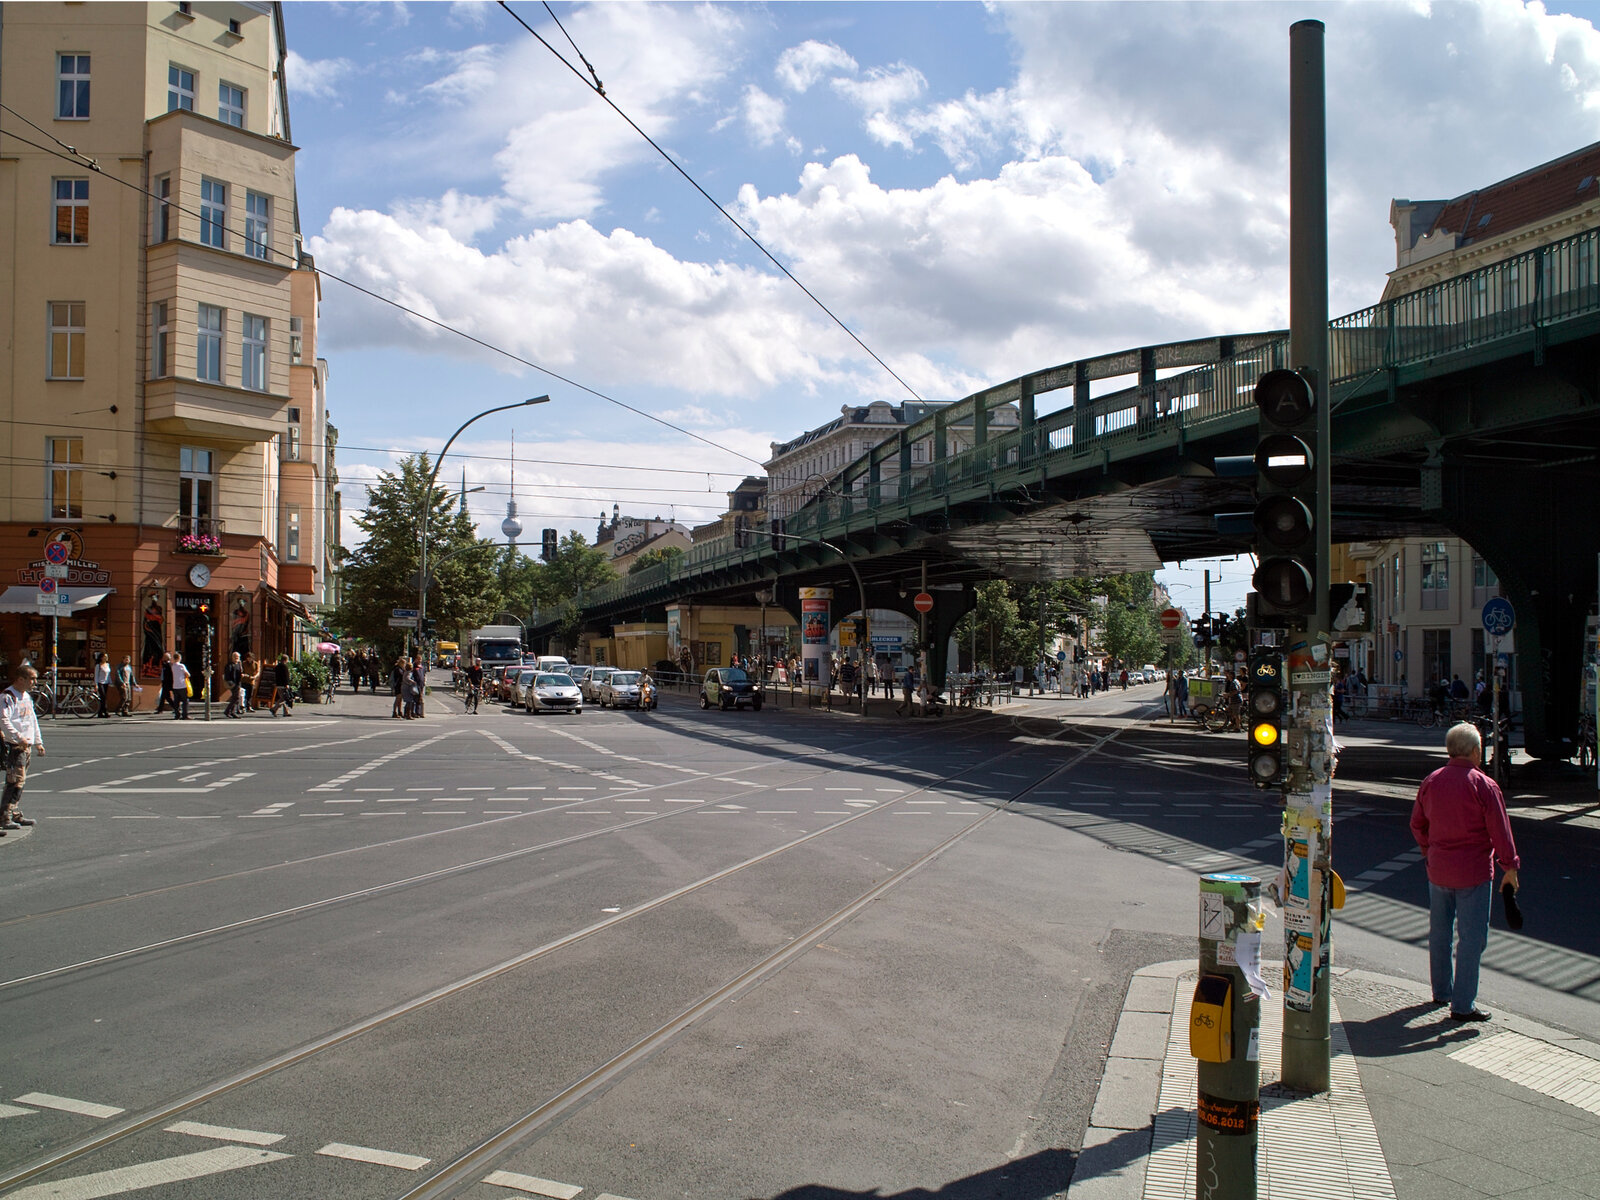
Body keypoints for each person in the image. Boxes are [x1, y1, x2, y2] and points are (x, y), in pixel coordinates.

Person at [1410, 722, 1521, 1022]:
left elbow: (1417, 824)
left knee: (1440, 933)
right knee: (1472, 939)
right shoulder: (1483, 785)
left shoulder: (1431, 781)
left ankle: (1441, 991)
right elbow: (1500, 831)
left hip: (1439, 869)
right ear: (1475, 751)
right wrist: (1509, 866)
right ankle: (1462, 1005)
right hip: (1473, 871)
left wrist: (1428, 850)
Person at [0, 664, 46, 834]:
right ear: (21, 679)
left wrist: (38, 742)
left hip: (25, 746)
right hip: (15, 746)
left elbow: (32, 721)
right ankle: (5, 816)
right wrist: (19, 738)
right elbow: (4, 721)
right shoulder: (8, 697)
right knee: (14, 782)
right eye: (32, 679)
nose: (35, 682)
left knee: (20, 781)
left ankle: (14, 812)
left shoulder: (26, 696)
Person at [169, 652, 191, 719]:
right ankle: (185, 715)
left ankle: (177, 714)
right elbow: (188, 674)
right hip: (182, 685)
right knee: (185, 701)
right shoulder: (181, 666)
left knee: (176, 701)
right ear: (179, 658)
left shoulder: (172, 666)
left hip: (175, 685)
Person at [223, 651, 245, 718]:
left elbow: (240, 673)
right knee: (236, 698)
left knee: (236, 698)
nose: (236, 658)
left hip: (238, 683)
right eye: (235, 657)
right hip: (233, 683)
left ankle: (231, 712)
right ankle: (228, 711)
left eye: (238, 657)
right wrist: (231, 683)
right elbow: (227, 676)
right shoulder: (229, 665)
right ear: (232, 657)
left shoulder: (239, 665)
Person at [93, 651, 112, 718]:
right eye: (104, 657)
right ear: (101, 658)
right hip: (100, 683)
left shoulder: (108, 665)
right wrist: (96, 684)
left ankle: (100, 713)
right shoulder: (98, 666)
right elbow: (96, 676)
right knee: (103, 697)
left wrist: (110, 682)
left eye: (106, 657)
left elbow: (108, 675)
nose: (106, 658)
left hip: (106, 683)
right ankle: (105, 712)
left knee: (103, 698)